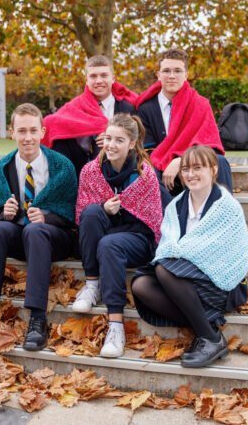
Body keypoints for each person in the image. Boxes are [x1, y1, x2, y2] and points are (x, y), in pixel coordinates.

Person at [131, 145, 248, 368]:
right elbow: (167, 247)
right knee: (141, 285)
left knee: (163, 269)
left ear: (213, 169)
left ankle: (211, 339)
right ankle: (206, 327)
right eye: (185, 169)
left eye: (198, 168)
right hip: (182, 280)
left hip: (219, 282)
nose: (190, 174)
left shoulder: (227, 206)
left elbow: (236, 253)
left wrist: (183, 255)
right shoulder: (176, 205)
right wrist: (181, 256)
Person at [0, 103, 77, 351]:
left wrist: (47, 217)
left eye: (32, 131)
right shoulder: (1, 168)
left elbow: (72, 214)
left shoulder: (62, 166)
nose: (27, 137)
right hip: (21, 234)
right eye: (21, 131)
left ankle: (37, 319)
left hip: (55, 237)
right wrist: (3, 214)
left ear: (42, 131)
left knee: (35, 229)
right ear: (12, 133)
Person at [73, 113, 162, 358]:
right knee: (91, 214)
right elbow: (82, 213)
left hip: (137, 238)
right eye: (108, 138)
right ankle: (92, 283)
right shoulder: (91, 171)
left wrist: (121, 209)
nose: (111, 145)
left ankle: (116, 327)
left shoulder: (144, 173)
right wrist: (104, 208)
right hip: (105, 236)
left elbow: (150, 221)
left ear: (132, 143)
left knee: (109, 244)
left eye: (119, 140)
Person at [135, 48, 233, 206]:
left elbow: (210, 146)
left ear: (186, 75)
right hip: (160, 170)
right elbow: (147, 149)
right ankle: (173, 221)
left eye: (177, 71)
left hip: (194, 164)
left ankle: (223, 215)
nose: (172, 76)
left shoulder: (200, 104)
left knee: (220, 162)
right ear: (158, 75)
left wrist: (182, 161)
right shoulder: (145, 108)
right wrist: (167, 163)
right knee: (146, 171)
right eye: (166, 71)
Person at [42, 55, 138, 177]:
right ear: (86, 80)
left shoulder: (128, 108)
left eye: (104, 75)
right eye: (93, 76)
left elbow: (138, 142)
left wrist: (111, 140)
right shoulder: (75, 108)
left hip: (122, 170)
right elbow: (53, 124)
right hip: (81, 171)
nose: (98, 81)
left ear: (113, 79)